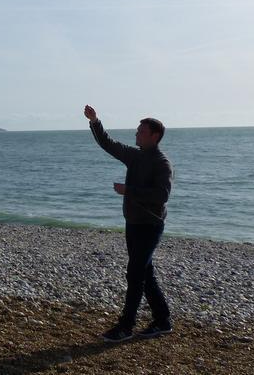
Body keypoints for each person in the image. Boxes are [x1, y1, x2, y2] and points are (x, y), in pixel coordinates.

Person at [84, 105, 173, 342]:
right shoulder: (135, 156)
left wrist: (129, 191)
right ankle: (163, 320)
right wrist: (95, 121)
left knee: (135, 274)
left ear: (154, 136)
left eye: (141, 132)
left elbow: (161, 196)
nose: (136, 135)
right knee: (145, 273)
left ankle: (126, 326)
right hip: (133, 223)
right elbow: (107, 143)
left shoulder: (161, 163)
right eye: (137, 131)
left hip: (150, 226)